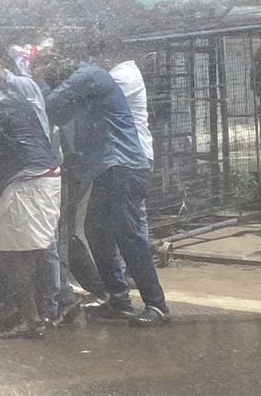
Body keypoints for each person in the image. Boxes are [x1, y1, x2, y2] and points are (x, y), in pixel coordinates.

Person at [39, 54, 169, 328]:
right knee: (97, 232)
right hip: (107, 169)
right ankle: (119, 301)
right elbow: (60, 114)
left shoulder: (89, 75)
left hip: (123, 166)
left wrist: (39, 83)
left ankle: (157, 305)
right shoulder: (85, 85)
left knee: (129, 236)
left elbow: (51, 103)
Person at [0, 85, 61, 339]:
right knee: (26, 254)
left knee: (14, 256)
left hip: (29, 182)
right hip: (37, 178)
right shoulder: (16, 102)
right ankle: (36, 316)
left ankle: (33, 320)